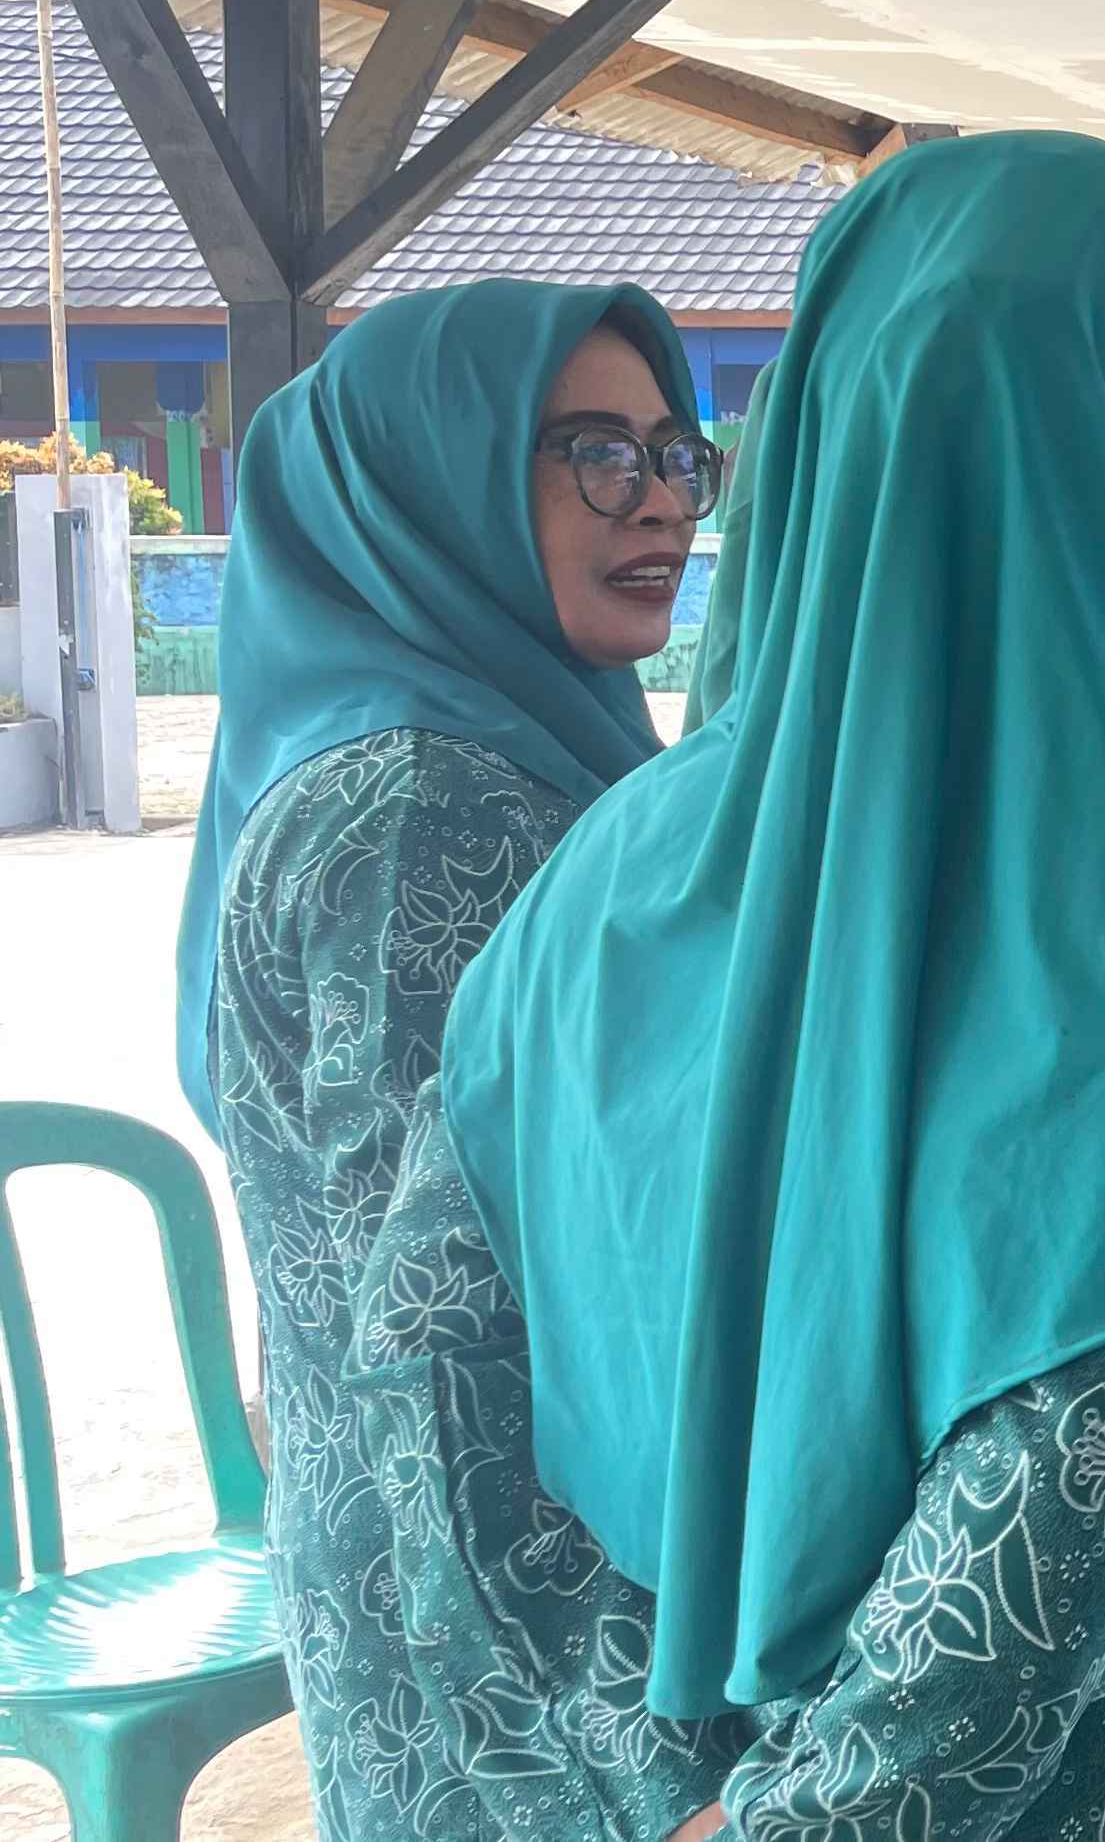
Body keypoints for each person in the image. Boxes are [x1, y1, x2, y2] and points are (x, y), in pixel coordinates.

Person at [433, 134, 1105, 1842]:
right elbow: (1046, 1539)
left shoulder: (625, 866)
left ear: (824, 427)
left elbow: (440, 1370)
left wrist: (662, 1777)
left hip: (666, 1767)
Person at [177, 279, 747, 1842]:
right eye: (593, 454)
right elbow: (436, 1327)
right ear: (430, 483)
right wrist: (660, 1762)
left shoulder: (493, 750)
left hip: (451, 1587)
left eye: (674, 453)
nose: (660, 502)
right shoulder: (425, 807)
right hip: (519, 1648)